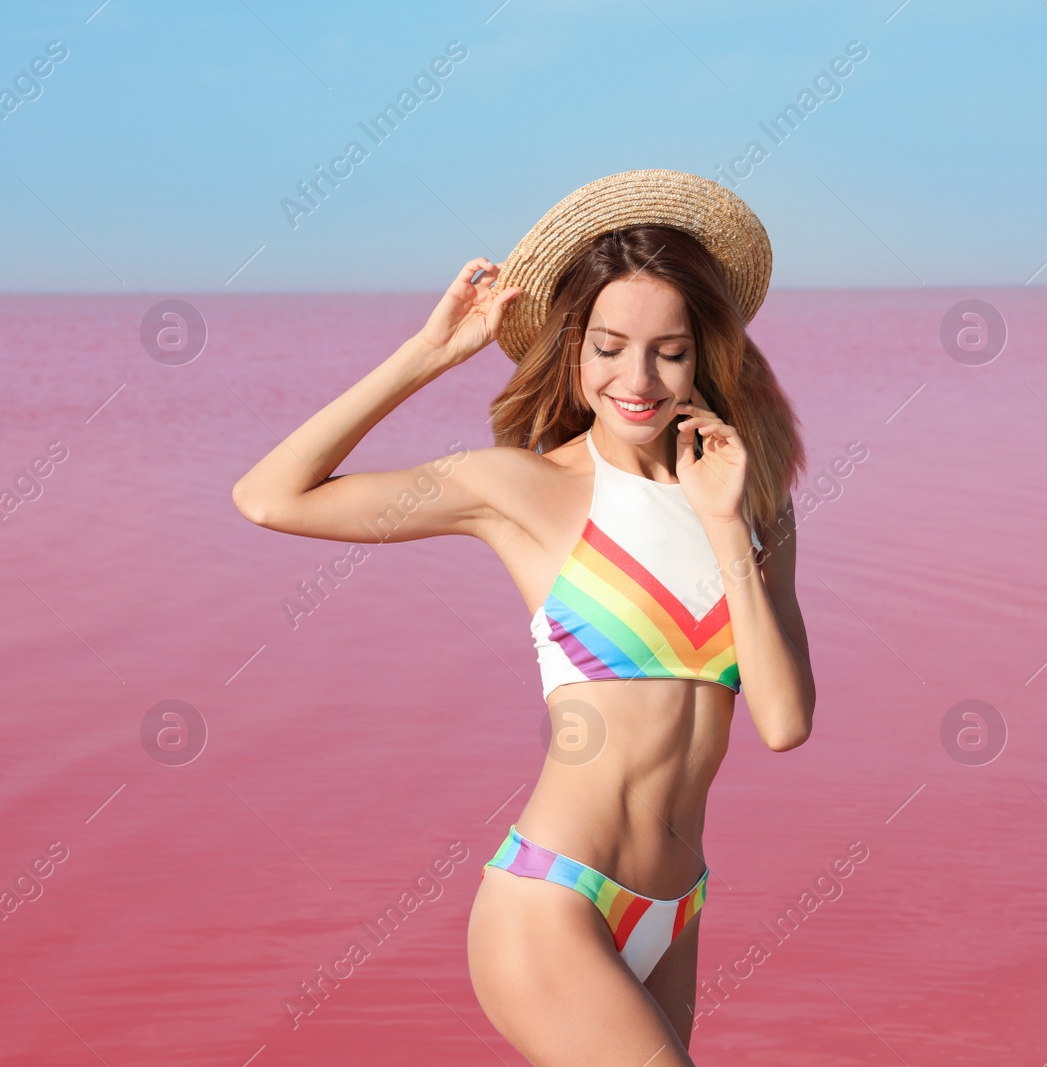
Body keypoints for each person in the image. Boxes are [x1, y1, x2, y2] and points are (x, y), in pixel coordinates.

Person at [232, 169, 814, 1066]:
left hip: (675, 907)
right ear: (574, 349)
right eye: (610, 346)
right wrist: (427, 356)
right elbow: (271, 496)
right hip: (554, 901)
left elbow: (783, 722)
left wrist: (730, 523)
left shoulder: (751, 503)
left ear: (704, 355)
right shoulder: (523, 489)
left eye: (669, 350)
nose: (637, 377)